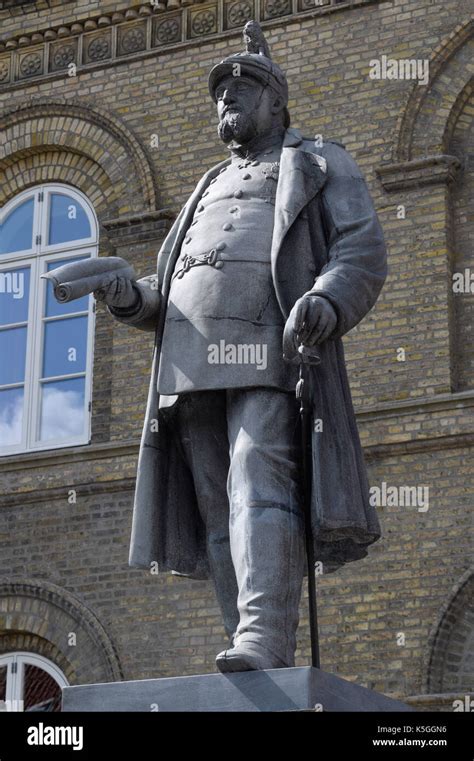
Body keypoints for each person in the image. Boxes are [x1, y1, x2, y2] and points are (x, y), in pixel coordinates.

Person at [100, 21, 387, 673]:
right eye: (220, 93)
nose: (226, 98)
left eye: (242, 87)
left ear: (277, 101)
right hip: (186, 361)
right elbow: (166, 290)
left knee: (257, 479)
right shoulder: (205, 184)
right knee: (215, 506)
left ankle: (265, 635)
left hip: (267, 349)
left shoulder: (317, 159)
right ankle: (245, 647)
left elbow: (362, 249)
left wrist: (327, 298)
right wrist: (126, 297)